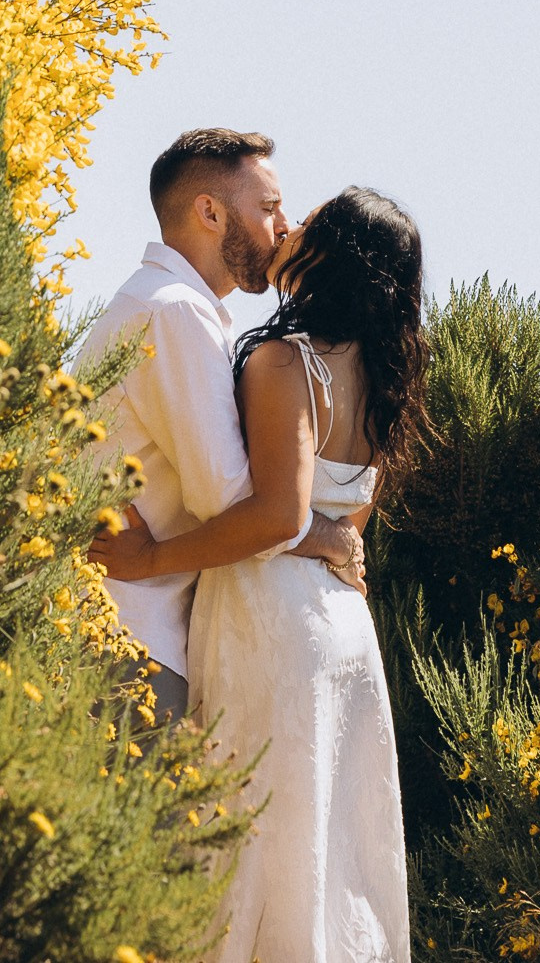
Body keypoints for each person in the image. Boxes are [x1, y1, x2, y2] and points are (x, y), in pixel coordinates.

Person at [92, 185, 427, 963]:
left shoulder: (284, 359)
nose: (287, 227)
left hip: (270, 616)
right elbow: (343, 532)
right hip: (344, 625)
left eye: (304, 222)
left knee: (251, 829)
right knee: (325, 837)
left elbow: (276, 517)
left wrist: (150, 559)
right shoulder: (383, 380)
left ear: (331, 255)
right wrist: (327, 543)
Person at [75, 128, 368, 729]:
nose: (283, 226)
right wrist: (331, 539)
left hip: (126, 632)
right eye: (267, 208)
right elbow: (226, 496)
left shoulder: (164, 304)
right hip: (129, 635)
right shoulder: (176, 310)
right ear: (210, 212)